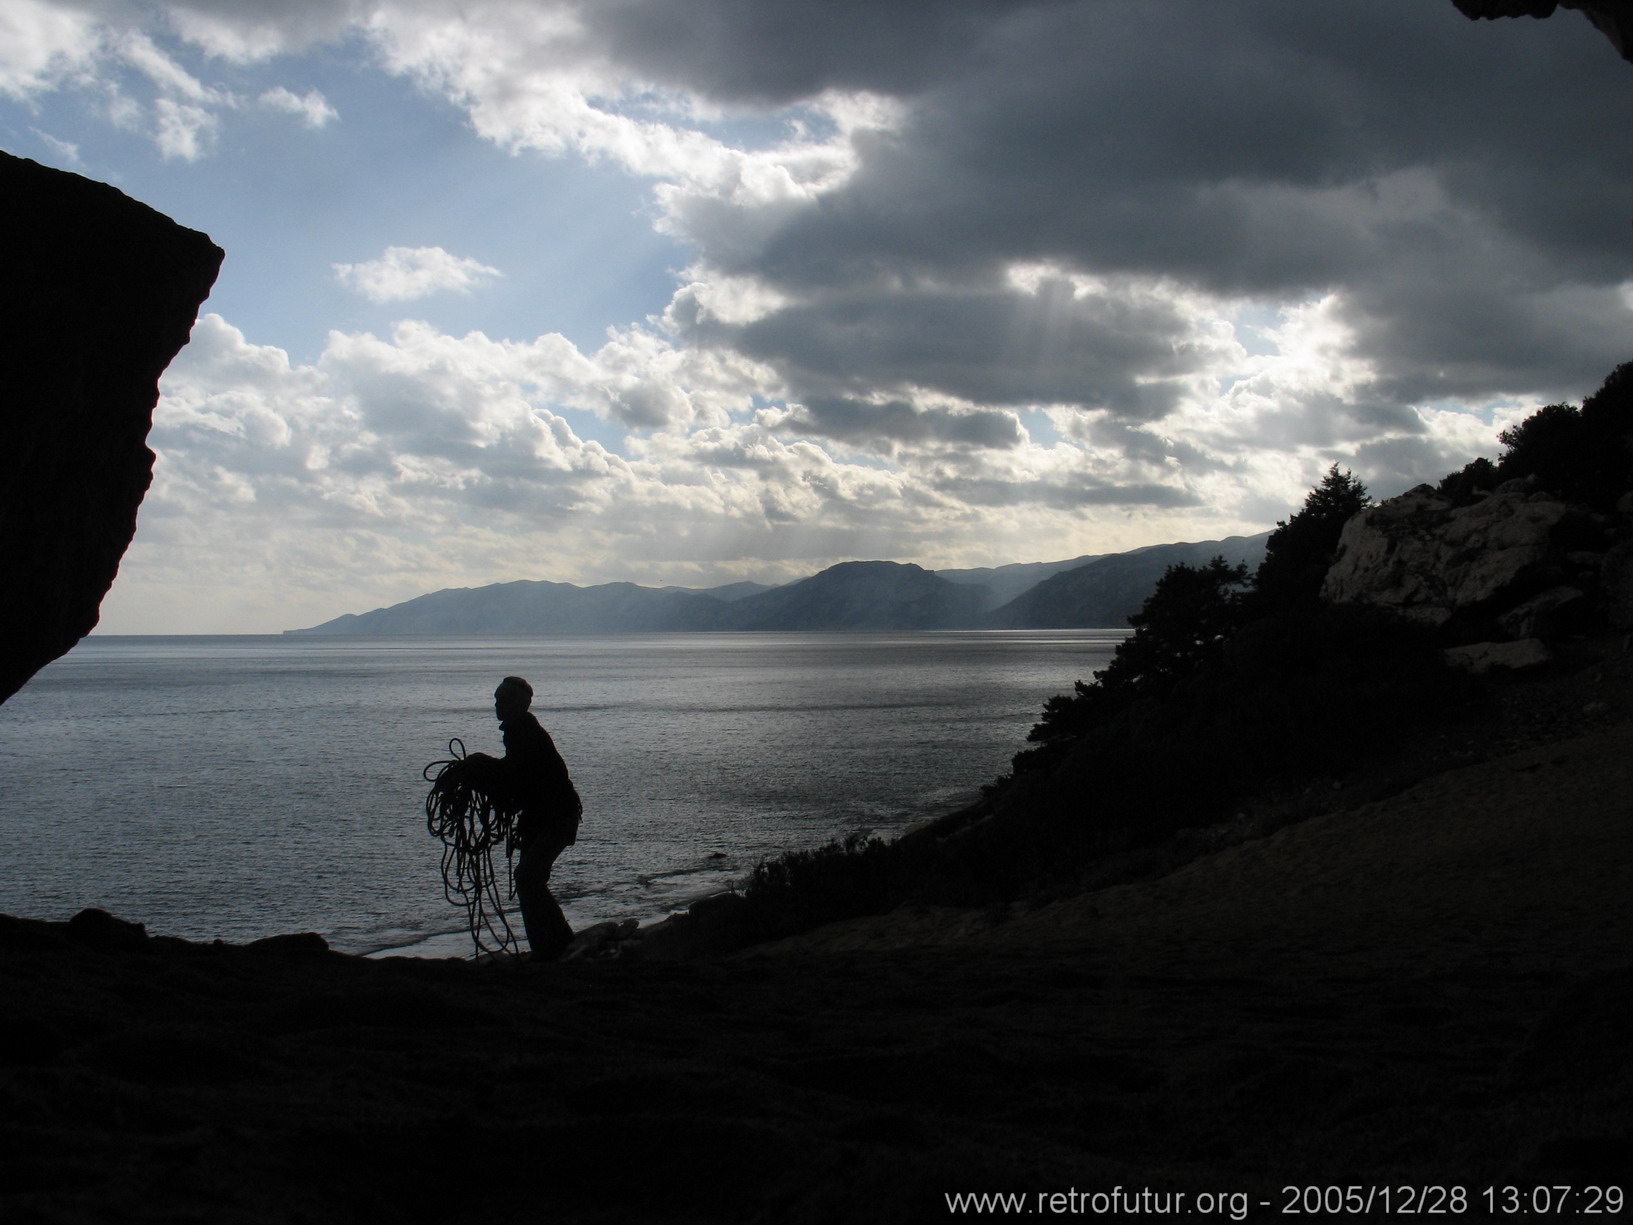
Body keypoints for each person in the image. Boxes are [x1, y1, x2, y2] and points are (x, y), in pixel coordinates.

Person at [492, 675, 581, 959]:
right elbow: (516, 775)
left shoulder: (525, 734)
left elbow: (518, 776)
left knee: (527, 878)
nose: (497, 706)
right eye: (497, 700)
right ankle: (547, 945)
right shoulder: (519, 732)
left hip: (556, 818)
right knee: (529, 880)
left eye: (502, 700)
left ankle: (556, 943)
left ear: (519, 704)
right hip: (542, 818)